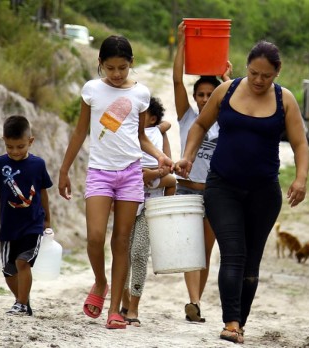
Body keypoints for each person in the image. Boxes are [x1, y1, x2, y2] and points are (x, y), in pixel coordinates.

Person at [174, 40, 309, 343]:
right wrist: (188, 156)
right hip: (222, 187)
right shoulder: (227, 91)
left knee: (251, 263)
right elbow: (199, 125)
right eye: (253, 74)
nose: (259, 81)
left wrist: (301, 179)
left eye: (266, 75)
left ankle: (240, 322)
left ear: (277, 72)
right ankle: (231, 323)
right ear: (246, 68)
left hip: (264, 192)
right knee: (233, 254)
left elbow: (300, 143)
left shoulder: (284, 100)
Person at [58, 35, 173, 330]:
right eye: (110, 68)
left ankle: (115, 311)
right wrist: (64, 170)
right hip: (100, 172)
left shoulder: (141, 94)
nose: (117, 74)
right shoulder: (91, 90)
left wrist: (160, 156)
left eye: (122, 67)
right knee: (95, 237)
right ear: (100, 64)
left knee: (121, 241)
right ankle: (100, 281)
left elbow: (141, 137)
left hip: (131, 174)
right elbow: (80, 132)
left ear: (131, 64)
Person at [173, 20, 231, 323]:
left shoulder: (228, 119)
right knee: (189, 249)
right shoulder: (186, 118)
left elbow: (234, 92)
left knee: (205, 252)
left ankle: (196, 302)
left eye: (211, 94)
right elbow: (176, 82)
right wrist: (182, 44)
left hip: (213, 194)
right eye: (201, 95)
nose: (205, 99)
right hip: (185, 190)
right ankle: (193, 301)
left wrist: (226, 77)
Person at [0, 115, 53, 316]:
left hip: (32, 225)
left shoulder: (38, 164)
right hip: (9, 227)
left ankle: (20, 303)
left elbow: (43, 192)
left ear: (30, 141)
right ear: (4, 141)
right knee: (9, 270)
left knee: (22, 262)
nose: (15, 152)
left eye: (20, 146)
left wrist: (47, 220)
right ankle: (24, 303)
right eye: (10, 147)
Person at [120, 96, 176, 327]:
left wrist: (151, 175)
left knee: (139, 254)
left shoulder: (155, 134)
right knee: (122, 255)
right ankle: (122, 303)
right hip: (126, 200)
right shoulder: (124, 133)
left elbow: (168, 168)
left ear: (150, 118)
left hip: (150, 205)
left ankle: (133, 307)